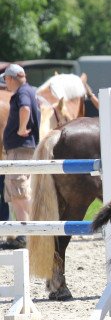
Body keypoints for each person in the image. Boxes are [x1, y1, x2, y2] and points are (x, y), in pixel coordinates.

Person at [0, 64, 41, 249]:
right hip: (21, 147)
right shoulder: (31, 90)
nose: (5, 84)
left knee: (19, 189)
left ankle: (38, 226)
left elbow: (25, 109)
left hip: (19, 147)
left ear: (11, 78)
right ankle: (24, 235)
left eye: (5, 80)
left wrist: (21, 128)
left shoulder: (21, 92)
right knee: (15, 192)